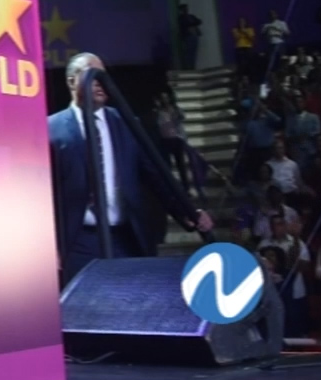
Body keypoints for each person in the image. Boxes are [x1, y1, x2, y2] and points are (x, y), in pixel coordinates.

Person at [48, 53, 214, 286]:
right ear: (72, 81)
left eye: (104, 76)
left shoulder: (124, 122)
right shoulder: (51, 129)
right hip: (77, 241)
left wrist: (185, 211)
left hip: (125, 238)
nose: (101, 82)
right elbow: (40, 192)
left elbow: (154, 173)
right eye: (92, 74)